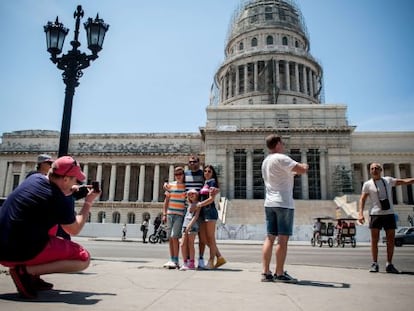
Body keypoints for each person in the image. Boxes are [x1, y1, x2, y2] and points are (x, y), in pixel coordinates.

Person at [0, 156, 100, 299]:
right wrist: (88, 203)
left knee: (51, 225)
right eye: (74, 179)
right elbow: (74, 229)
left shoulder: (34, 178)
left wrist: (69, 190)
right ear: (65, 179)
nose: (77, 182)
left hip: (3, 246)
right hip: (16, 253)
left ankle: (32, 276)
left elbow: (50, 192)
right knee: (83, 258)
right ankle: (26, 271)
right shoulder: (57, 200)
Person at [261, 134, 308, 282]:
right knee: (282, 239)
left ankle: (265, 272)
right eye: (282, 143)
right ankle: (280, 273)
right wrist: (305, 165)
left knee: (270, 237)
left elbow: (284, 174)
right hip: (283, 203)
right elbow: (301, 169)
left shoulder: (266, 161)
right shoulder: (282, 158)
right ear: (278, 144)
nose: (284, 145)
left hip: (269, 203)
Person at [358, 162, 414, 274]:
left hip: (389, 213)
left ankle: (389, 263)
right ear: (370, 171)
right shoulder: (367, 184)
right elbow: (362, 199)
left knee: (391, 241)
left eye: (377, 168)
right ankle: (374, 263)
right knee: (374, 241)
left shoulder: (388, 180)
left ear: (381, 170)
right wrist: (360, 214)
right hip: (375, 214)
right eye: (372, 168)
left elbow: (403, 182)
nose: (374, 170)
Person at [198, 164, 226, 269]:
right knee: (205, 239)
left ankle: (211, 261)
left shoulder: (212, 182)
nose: (206, 173)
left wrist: (200, 204)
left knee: (211, 238)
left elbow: (211, 199)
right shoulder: (205, 183)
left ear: (212, 173)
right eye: (205, 171)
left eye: (209, 171)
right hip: (204, 212)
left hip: (210, 211)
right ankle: (219, 257)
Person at [184, 155, 207, 269]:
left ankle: (201, 258)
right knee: (189, 236)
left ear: (199, 162)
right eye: (190, 162)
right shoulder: (185, 174)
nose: (192, 163)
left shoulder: (203, 174)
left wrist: (200, 205)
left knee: (202, 236)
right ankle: (189, 260)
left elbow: (206, 190)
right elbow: (183, 190)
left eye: (194, 162)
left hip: (200, 207)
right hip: (189, 209)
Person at [162, 166, 187, 269]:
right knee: (170, 238)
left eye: (180, 174)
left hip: (179, 214)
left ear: (183, 174)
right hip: (170, 213)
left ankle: (176, 260)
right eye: (176, 174)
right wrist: (164, 214)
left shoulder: (186, 186)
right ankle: (171, 258)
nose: (178, 176)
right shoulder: (170, 185)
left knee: (174, 237)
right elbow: (166, 201)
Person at [180, 189, 202, 270]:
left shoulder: (198, 204)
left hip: (192, 226)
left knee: (190, 244)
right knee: (182, 244)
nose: (191, 195)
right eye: (189, 194)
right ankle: (185, 262)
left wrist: (189, 225)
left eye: (193, 194)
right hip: (185, 225)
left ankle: (191, 263)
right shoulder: (189, 204)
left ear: (196, 195)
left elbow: (196, 216)